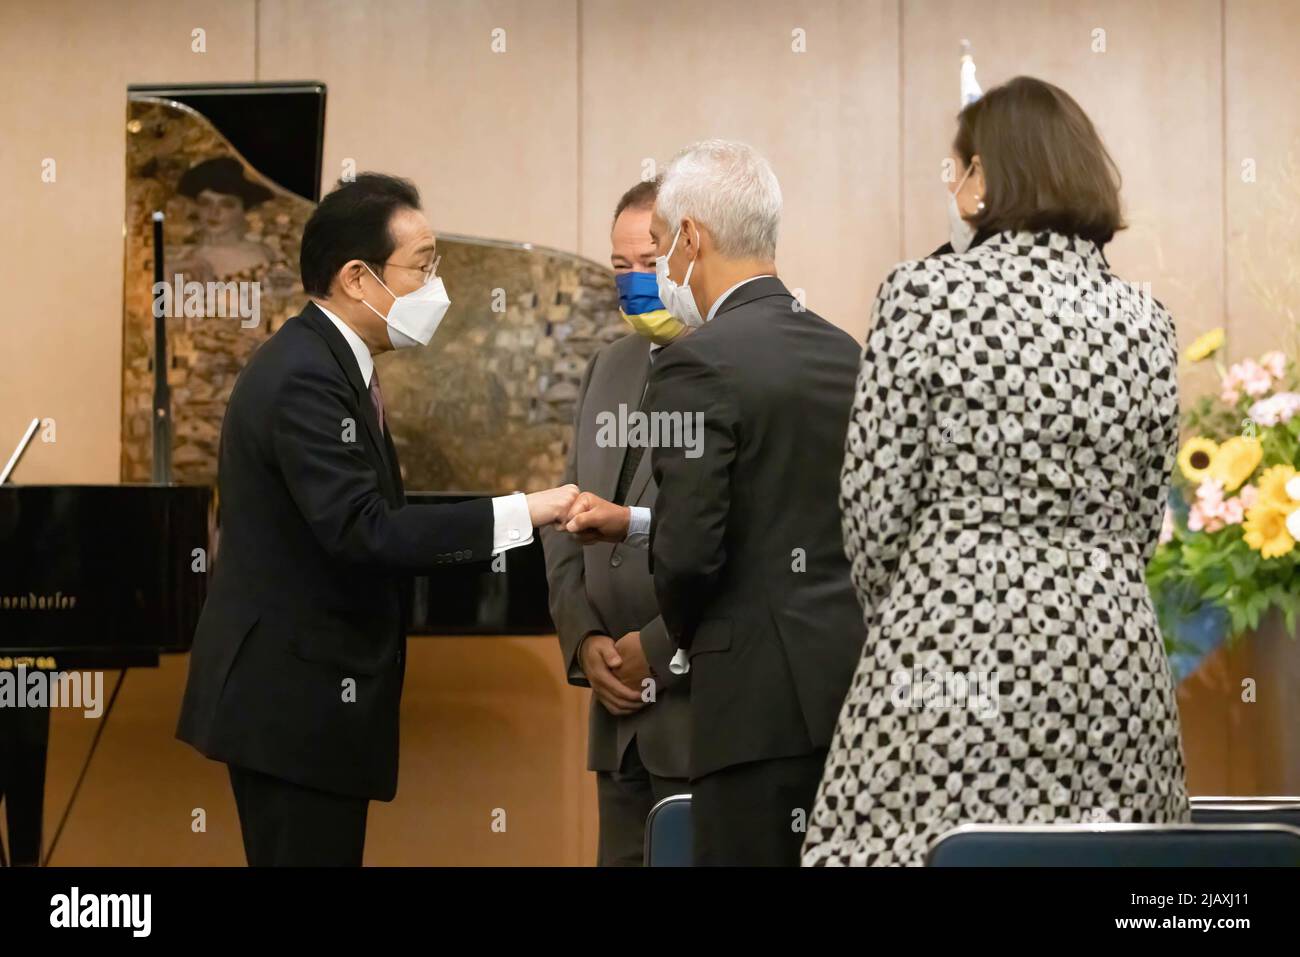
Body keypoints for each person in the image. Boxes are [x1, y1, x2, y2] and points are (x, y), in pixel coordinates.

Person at [802, 76, 1191, 867]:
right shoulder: (1147, 320)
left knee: (935, 850)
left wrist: (915, 609)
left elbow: (875, 508)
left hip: (953, 645)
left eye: (959, 169)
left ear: (985, 178)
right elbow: (1147, 513)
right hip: (1111, 654)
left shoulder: (923, 294)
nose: (954, 186)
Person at [176, 172, 578, 866]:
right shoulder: (306, 373)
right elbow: (364, 529)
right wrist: (526, 511)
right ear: (358, 278)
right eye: (422, 266)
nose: (436, 285)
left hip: (308, 702)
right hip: (291, 707)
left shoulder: (332, 362)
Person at [566, 140, 864, 866]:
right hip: (841, 698)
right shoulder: (845, 351)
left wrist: (664, 644)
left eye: (660, 248)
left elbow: (691, 552)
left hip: (740, 708)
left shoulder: (700, 359)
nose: (656, 270)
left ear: (692, 239)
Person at [540, 178, 692, 866]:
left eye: (648, 263)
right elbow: (566, 514)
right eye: (620, 267)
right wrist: (584, 640)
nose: (633, 282)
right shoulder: (610, 364)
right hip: (616, 720)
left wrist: (654, 648)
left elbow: (740, 537)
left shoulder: (737, 364)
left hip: (698, 712)